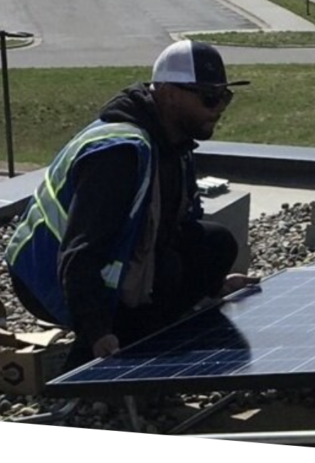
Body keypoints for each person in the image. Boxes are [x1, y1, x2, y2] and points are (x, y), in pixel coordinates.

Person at [3, 40, 258, 370]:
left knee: (215, 244)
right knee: (166, 275)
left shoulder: (174, 144)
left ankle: (140, 334)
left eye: (225, 96)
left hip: (91, 263)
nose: (219, 107)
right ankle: (100, 366)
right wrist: (97, 332)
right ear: (169, 93)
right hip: (46, 277)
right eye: (209, 97)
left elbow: (175, 228)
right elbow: (81, 250)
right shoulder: (119, 154)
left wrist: (213, 285)